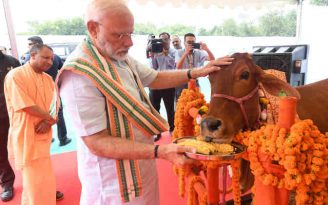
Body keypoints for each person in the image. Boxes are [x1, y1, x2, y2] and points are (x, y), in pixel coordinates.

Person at [57, 0, 232, 204]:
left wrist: (196, 72)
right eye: (120, 34)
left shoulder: (116, 56)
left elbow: (154, 78)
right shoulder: (80, 75)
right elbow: (97, 142)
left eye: (130, 33)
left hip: (143, 162)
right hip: (114, 184)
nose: (129, 42)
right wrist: (160, 150)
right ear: (93, 29)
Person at [4, 44, 64, 204]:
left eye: (51, 58)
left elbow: (55, 103)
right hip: (26, 134)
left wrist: (49, 121)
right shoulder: (15, 75)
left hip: (43, 133)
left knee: (44, 173)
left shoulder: (47, 78)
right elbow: (24, 104)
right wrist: (50, 119)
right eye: (45, 57)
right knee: (32, 178)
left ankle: (48, 196)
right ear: (32, 55)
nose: (50, 62)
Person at [22, 36, 72, 146]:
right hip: (39, 95)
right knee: (53, 114)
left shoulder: (28, 60)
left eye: (30, 44)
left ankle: (58, 138)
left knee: (56, 113)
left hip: (51, 91)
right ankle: (62, 138)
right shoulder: (19, 72)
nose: (49, 62)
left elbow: (65, 70)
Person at [149, 32, 176, 141]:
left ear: (169, 40)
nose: (163, 42)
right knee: (155, 108)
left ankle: (173, 128)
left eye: (165, 39)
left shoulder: (174, 52)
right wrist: (152, 55)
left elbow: (174, 66)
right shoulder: (156, 51)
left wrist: (166, 54)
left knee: (170, 108)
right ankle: (157, 131)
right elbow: (153, 67)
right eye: (161, 39)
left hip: (169, 82)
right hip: (155, 82)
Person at [0, 47, 19, 202]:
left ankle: (37, 183)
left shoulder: (12, 61)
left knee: (27, 149)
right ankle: (7, 183)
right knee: (0, 151)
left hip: (18, 114)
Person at [175, 33, 215, 100]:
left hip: (194, 81)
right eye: (188, 42)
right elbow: (178, 67)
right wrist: (186, 53)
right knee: (181, 105)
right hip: (182, 82)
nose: (191, 44)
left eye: (193, 42)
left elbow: (212, 60)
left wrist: (207, 49)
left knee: (196, 102)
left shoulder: (198, 52)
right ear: (184, 43)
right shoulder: (179, 52)